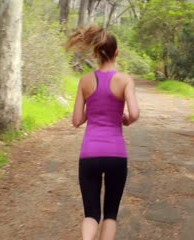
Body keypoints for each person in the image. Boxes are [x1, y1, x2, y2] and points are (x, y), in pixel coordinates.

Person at [66, 25, 139, 240]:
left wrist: (93, 107)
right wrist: (125, 119)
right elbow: (134, 113)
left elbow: (77, 120)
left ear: (96, 53)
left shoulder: (85, 81)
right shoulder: (125, 81)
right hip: (116, 155)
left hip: (89, 155)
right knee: (110, 214)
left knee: (91, 213)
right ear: (116, 52)